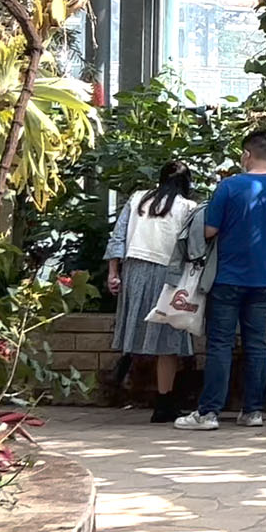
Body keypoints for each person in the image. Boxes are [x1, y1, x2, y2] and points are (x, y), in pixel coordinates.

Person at [175, 132, 266, 433]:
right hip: (265, 277)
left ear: (246, 155)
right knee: (257, 343)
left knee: (220, 343)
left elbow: (208, 231)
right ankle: (253, 411)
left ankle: (209, 413)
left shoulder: (229, 186)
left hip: (228, 277)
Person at [104, 160, 199, 424]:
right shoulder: (187, 207)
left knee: (137, 331)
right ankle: (164, 401)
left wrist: (114, 273)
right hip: (167, 273)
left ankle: (124, 368)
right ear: (186, 184)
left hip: (133, 270)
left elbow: (118, 237)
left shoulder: (137, 200)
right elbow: (191, 246)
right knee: (167, 341)